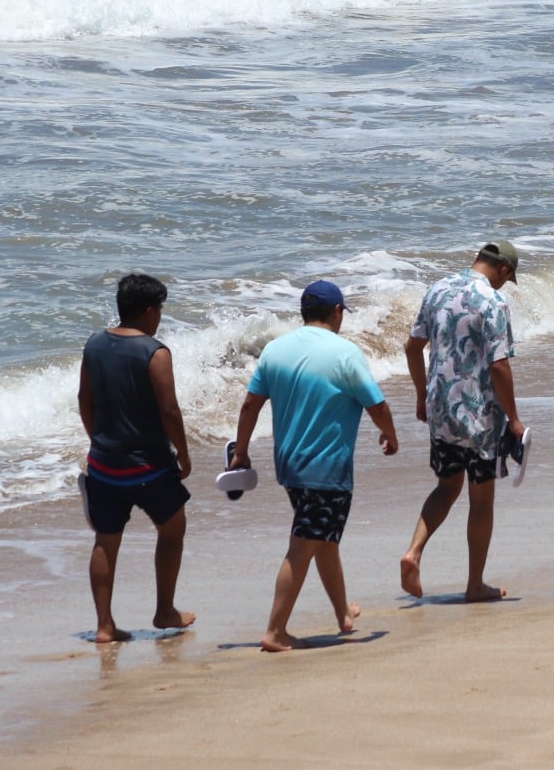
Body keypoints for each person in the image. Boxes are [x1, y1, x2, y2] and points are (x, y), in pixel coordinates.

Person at [229, 280, 398, 652]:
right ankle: (275, 631)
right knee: (305, 544)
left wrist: (240, 453)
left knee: (323, 539)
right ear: (337, 312)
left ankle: (343, 615)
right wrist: (390, 435)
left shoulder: (275, 351)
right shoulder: (345, 352)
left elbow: (249, 406)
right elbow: (378, 406)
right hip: (327, 467)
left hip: (290, 466)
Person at [400, 240, 526, 603]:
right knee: (481, 500)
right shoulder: (493, 302)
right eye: (508, 278)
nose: (505, 285)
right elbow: (499, 365)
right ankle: (475, 584)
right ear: (503, 270)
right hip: (479, 414)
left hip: (440, 407)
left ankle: (414, 552)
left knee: (446, 487)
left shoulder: (437, 289)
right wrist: (514, 419)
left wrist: (422, 394)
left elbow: (412, 347)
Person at [77, 272, 194, 643]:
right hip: (149, 465)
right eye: (158, 309)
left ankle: (104, 626)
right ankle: (164, 610)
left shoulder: (94, 345)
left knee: (105, 541)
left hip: (104, 465)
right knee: (172, 530)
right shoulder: (154, 351)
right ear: (148, 311)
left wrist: (96, 439)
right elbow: (170, 410)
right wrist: (185, 455)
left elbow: (84, 399)